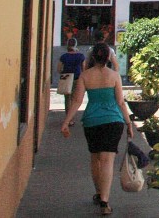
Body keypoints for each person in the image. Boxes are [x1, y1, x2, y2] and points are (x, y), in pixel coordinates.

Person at [61, 42, 134, 215]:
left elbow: (77, 101)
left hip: (92, 121)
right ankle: (105, 201)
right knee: (108, 160)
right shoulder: (114, 76)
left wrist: (66, 122)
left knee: (95, 158)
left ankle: (98, 192)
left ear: (93, 57)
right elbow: (120, 102)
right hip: (113, 121)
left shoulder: (85, 76)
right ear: (108, 57)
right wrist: (129, 123)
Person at [58, 38, 85, 126]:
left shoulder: (64, 56)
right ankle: (71, 118)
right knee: (74, 99)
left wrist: (64, 72)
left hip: (67, 78)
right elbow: (83, 68)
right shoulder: (81, 56)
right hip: (77, 79)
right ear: (76, 45)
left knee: (67, 99)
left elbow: (59, 69)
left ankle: (68, 119)